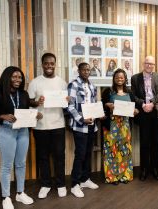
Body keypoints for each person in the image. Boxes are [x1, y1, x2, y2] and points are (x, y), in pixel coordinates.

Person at [0, 66, 42, 209]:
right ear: (8, 77)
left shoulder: (23, 94)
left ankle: (20, 193)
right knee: (7, 166)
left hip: (23, 132)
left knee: (21, 164)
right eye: (14, 77)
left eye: (20, 77)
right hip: (7, 132)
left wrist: (36, 115)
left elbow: (26, 111)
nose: (18, 80)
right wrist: (3, 116)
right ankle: (6, 197)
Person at [28, 53, 68, 199]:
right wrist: (37, 102)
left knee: (59, 156)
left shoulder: (62, 82)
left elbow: (65, 104)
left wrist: (67, 100)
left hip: (58, 125)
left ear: (55, 64)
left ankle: (61, 184)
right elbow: (29, 102)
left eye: (52, 63)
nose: (49, 66)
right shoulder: (35, 82)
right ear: (42, 64)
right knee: (43, 157)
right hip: (40, 126)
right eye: (46, 63)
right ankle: (45, 184)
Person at [102, 69, 139, 185]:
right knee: (111, 150)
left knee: (125, 150)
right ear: (114, 78)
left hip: (125, 125)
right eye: (117, 77)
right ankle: (112, 177)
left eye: (122, 77)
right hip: (111, 124)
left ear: (125, 78)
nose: (119, 79)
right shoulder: (108, 91)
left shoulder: (130, 92)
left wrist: (136, 111)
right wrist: (107, 105)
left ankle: (125, 175)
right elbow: (102, 105)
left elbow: (135, 107)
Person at [68, 62, 99, 198]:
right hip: (80, 126)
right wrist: (81, 119)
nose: (86, 72)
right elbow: (69, 106)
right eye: (84, 70)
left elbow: (94, 104)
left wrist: (99, 113)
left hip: (92, 125)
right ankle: (75, 184)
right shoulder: (73, 85)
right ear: (79, 71)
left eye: (88, 70)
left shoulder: (92, 86)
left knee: (88, 153)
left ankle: (85, 179)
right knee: (80, 154)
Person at [131, 55, 158, 181]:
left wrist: (152, 103)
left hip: (155, 111)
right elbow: (133, 95)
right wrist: (142, 104)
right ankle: (144, 169)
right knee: (144, 142)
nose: (149, 66)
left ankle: (155, 168)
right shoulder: (135, 78)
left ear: (154, 65)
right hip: (143, 112)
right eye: (147, 63)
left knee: (156, 141)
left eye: (152, 64)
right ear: (143, 64)